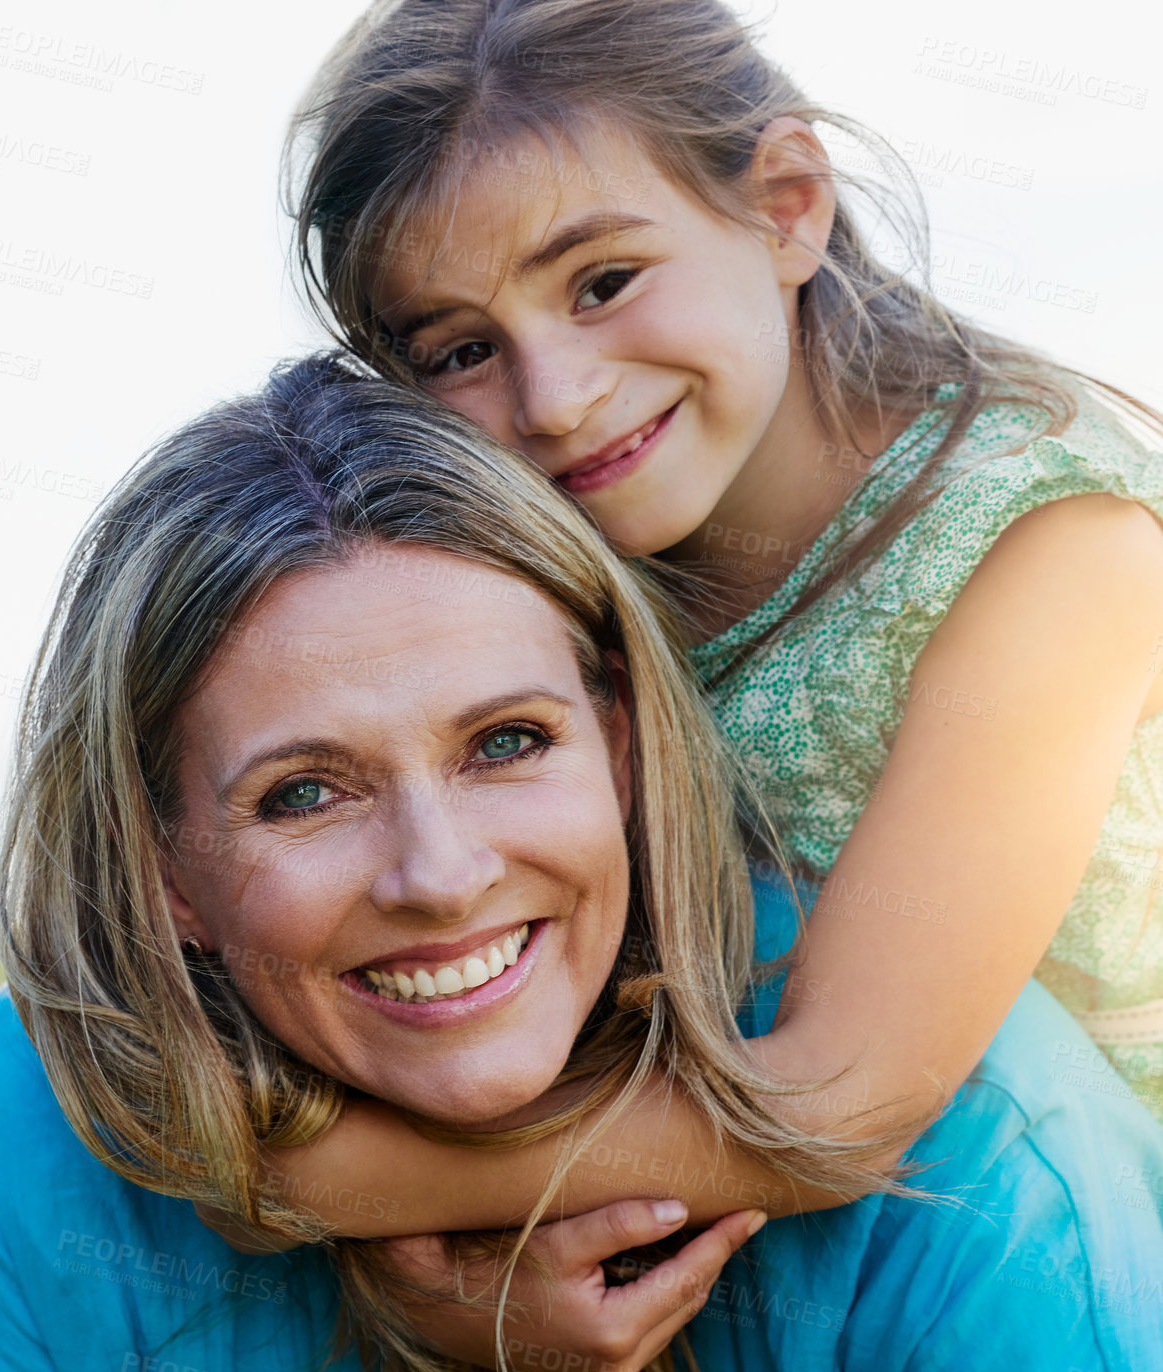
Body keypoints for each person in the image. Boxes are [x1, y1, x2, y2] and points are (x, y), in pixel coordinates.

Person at [0, 357, 1162, 1372]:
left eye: (507, 741)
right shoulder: (18, 1160)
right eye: (303, 792)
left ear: (625, 751)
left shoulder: (986, 1173)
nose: (441, 875)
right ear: (166, 876)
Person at [288, 0, 1163, 1132]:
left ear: (785, 207)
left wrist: (314, 1185)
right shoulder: (522, 580)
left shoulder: (1051, 540)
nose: (554, 399)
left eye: (601, 282)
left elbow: (843, 1098)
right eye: (462, 351)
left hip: (1070, 1240)